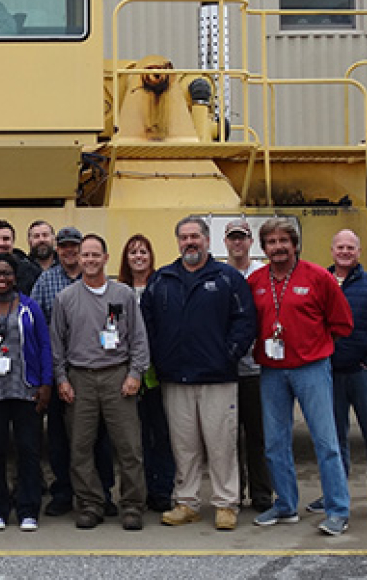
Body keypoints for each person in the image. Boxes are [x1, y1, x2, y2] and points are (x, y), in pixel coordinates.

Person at [141, 217, 256, 531]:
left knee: (221, 443)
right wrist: (159, 358)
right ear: (177, 242)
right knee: (183, 445)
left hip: (217, 377)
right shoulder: (162, 279)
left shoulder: (227, 278)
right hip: (175, 377)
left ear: (207, 240)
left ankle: (225, 503)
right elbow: (147, 323)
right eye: (184, 237)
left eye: (195, 236)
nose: (189, 242)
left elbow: (245, 321)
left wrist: (227, 354)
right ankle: (187, 502)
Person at [248, 218, 354, 536]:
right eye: (271, 242)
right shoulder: (256, 281)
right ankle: (285, 505)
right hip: (271, 371)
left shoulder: (319, 278)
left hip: (311, 369)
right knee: (275, 443)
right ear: (263, 247)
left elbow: (342, 322)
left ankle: (337, 510)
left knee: (326, 442)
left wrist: (314, 346)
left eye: (284, 241)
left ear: (295, 245)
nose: (278, 247)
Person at [51, 234, 149, 531]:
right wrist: (61, 379)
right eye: (85, 255)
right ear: (78, 259)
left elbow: (139, 339)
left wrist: (135, 373)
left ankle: (132, 505)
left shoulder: (124, 295)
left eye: (96, 255)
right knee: (80, 447)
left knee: (129, 446)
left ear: (106, 258)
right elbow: (57, 344)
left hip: (117, 375)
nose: (90, 260)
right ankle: (91, 503)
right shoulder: (65, 298)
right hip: (80, 378)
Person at [309, 229, 367, 522]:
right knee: (332, 441)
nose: (345, 252)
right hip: (329, 375)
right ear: (332, 250)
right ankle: (334, 495)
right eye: (340, 247)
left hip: (363, 375)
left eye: (351, 247)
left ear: (358, 252)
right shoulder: (318, 283)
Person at [29, 225, 111, 517]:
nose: (69, 251)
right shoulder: (45, 281)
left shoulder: (101, 282)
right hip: (57, 368)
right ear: (57, 249)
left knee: (99, 436)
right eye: (63, 247)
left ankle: (103, 492)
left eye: (74, 246)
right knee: (60, 437)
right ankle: (63, 491)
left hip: (94, 367)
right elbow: (36, 327)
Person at [0, 253, 53, 532]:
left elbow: (44, 345)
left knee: (28, 450)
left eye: (6, 273)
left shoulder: (30, 308)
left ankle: (28, 508)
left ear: (15, 277)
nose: (1, 279)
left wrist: (45, 383)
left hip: (26, 389)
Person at [119, 233, 173, 515]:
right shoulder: (116, 290)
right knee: (134, 436)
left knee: (160, 433)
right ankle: (138, 489)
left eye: (143, 251)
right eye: (132, 252)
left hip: (157, 372)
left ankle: (162, 489)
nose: (138, 256)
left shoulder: (163, 285)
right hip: (126, 373)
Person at [224, 219, 274, 513]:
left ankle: (262, 493)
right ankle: (234, 493)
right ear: (226, 242)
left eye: (242, 237)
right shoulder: (221, 275)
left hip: (257, 368)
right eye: (232, 238)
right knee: (228, 439)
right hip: (229, 369)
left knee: (258, 435)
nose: (237, 243)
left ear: (250, 241)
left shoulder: (262, 274)